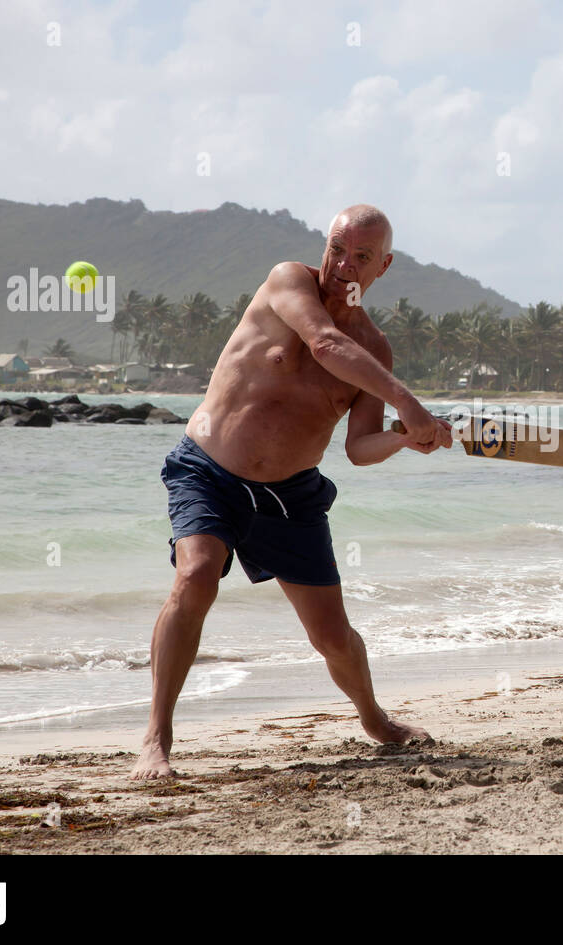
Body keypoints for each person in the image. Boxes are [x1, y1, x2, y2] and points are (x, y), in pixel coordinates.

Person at [131, 204, 453, 780]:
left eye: (360, 257)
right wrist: (408, 402)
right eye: (336, 248)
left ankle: (374, 718)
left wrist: (405, 440)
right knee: (196, 573)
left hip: (290, 497)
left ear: (384, 266)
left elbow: (359, 447)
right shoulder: (288, 281)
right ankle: (157, 737)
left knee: (331, 635)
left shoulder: (375, 352)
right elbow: (325, 344)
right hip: (209, 469)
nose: (342, 265)